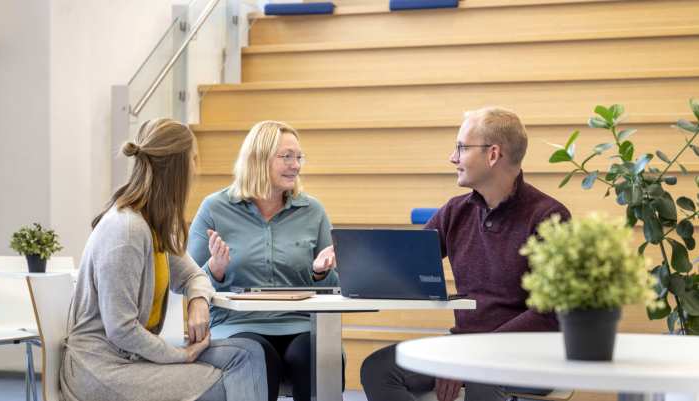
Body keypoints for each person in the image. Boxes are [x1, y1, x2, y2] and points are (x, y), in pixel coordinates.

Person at [318, 107, 571, 401]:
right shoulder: (455, 211)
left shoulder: (549, 217)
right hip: (464, 348)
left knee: (482, 379)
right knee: (379, 370)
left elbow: (550, 313)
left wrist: (470, 357)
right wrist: (353, 255)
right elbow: (404, 266)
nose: (453, 158)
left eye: (461, 148)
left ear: (492, 154)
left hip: (526, 353)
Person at [60, 119, 267, 401]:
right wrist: (179, 355)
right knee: (221, 384)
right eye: (194, 159)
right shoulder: (127, 231)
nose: (198, 167)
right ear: (178, 169)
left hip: (133, 356)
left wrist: (198, 302)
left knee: (249, 353)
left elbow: (195, 276)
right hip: (102, 369)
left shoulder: (152, 224)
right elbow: (121, 330)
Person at [188, 120, 341, 401]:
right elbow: (188, 282)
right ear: (258, 159)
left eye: (299, 157)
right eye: (286, 157)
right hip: (237, 325)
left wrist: (320, 274)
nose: (296, 165)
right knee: (257, 357)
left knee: (315, 356)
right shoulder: (214, 208)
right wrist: (215, 270)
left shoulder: (313, 211)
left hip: (301, 325)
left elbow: (336, 288)